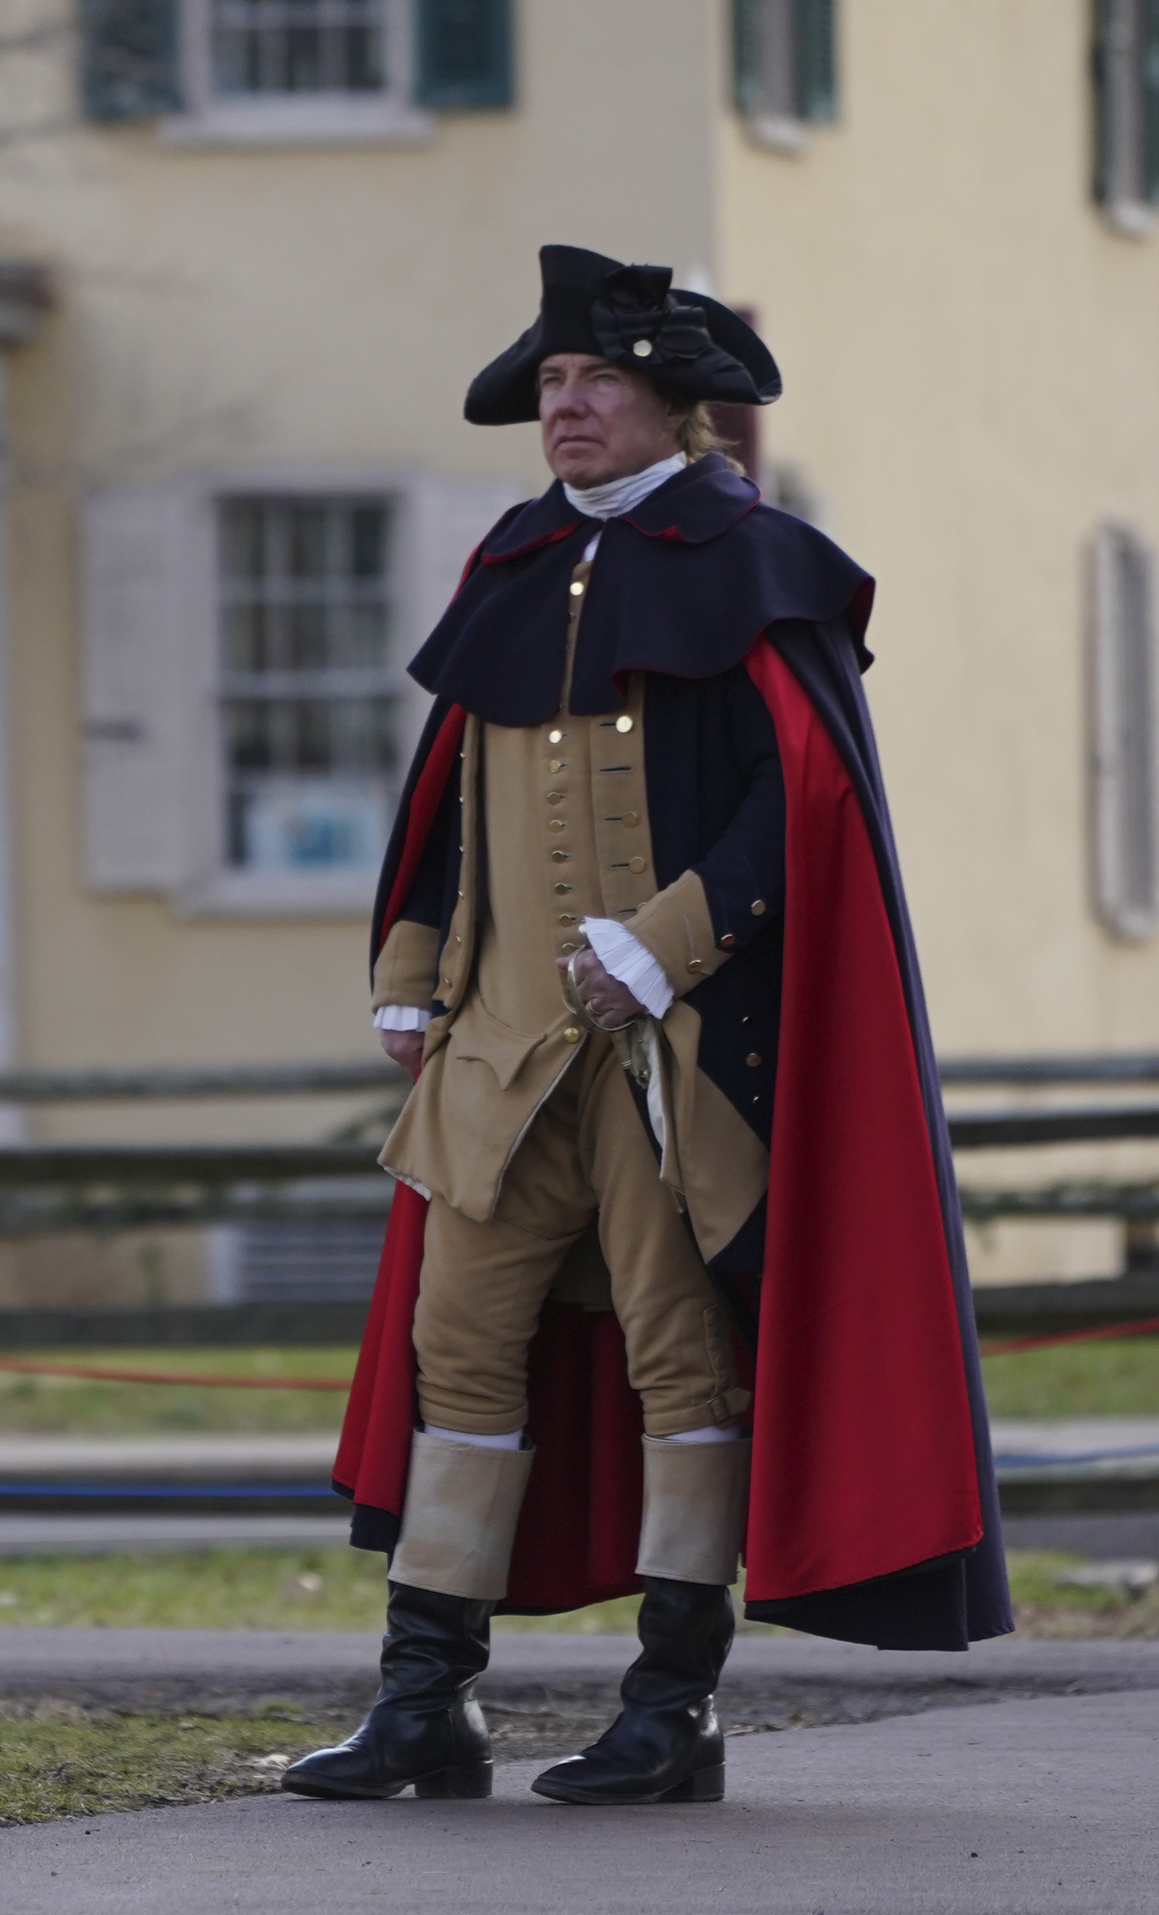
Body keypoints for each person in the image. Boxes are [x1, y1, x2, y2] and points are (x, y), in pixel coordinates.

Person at [288, 246, 1009, 1812]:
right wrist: (411, 958)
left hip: (673, 1057)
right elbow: (447, 804)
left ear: (679, 406)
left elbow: (802, 802)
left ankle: (671, 1705)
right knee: (456, 1352)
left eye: (595, 382)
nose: (565, 409)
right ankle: (426, 1703)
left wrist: (670, 940)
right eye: (549, 384)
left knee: (684, 1361)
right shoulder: (508, 562)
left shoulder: (754, 559)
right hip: (497, 1050)